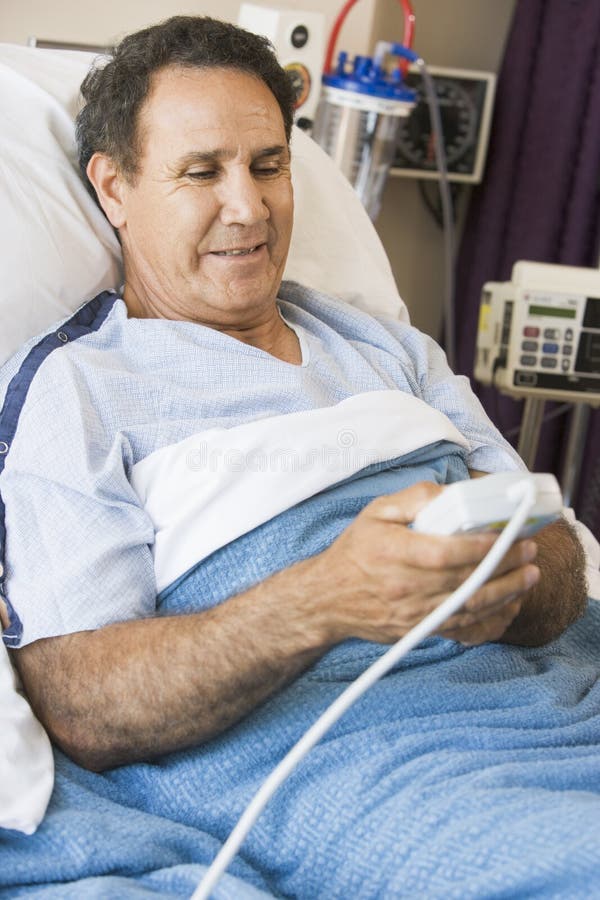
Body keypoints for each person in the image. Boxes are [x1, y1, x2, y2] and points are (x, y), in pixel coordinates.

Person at [1, 15, 586, 782]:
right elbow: (83, 702)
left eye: (268, 165)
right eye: (202, 172)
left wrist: (515, 580)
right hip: (370, 759)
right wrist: (322, 600)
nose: (249, 207)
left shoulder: (389, 348)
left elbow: (560, 553)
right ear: (115, 188)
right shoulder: (79, 389)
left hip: (554, 703)